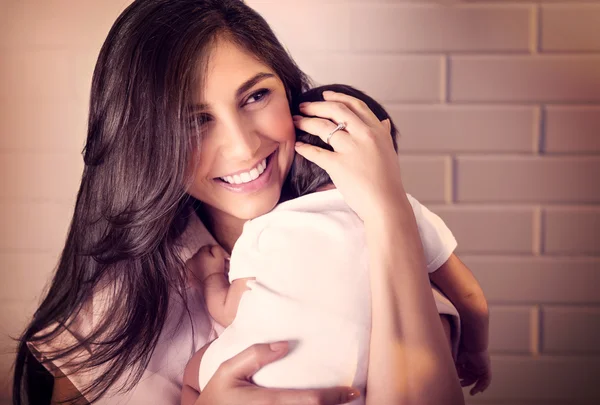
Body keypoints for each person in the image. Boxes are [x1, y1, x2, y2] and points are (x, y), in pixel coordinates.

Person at [13, 1, 464, 404]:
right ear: (144, 146)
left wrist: (388, 212)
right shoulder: (110, 318)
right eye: (194, 121)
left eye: (255, 96)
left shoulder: (363, 243)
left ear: (289, 92)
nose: (243, 147)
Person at [183, 84, 490, 405]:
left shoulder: (265, 226)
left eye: (257, 96)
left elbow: (231, 311)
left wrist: (210, 277)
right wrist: (476, 351)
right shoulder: (409, 209)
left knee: (193, 377)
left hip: (266, 373)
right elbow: (470, 297)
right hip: (360, 381)